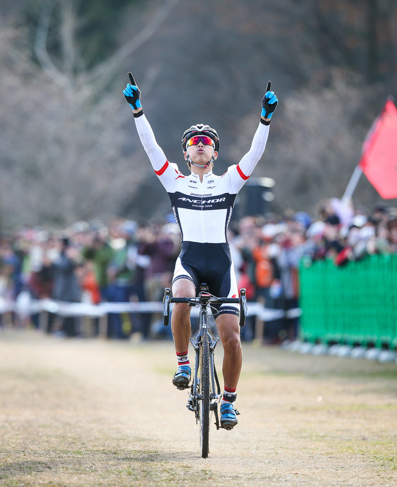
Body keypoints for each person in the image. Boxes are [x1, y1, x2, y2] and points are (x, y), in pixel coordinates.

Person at [123, 72, 277, 430]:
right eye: (193, 141)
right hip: (190, 259)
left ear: (215, 151)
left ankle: (229, 402)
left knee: (232, 339)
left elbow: (255, 154)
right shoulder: (174, 180)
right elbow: (150, 148)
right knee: (179, 297)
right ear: (186, 151)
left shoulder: (229, 181)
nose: (200, 144)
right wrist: (138, 111)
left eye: (206, 141)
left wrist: (265, 120)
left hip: (221, 263)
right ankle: (181, 363)